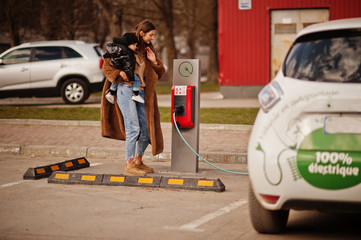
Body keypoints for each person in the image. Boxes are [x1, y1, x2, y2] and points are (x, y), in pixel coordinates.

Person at [101, 20, 166, 175]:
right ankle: (129, 164)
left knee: (146, 130)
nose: (152, 38)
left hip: (142, 94)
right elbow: (107, 66)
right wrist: (118, 74)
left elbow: (160, 72)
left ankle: (138, 161)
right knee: (133, 128)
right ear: (142, 33)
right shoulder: (124, 46)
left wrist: (154, 61)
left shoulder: (147, 51)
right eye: (151, 35)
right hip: (125, 90)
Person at [104, 33, 144, 104]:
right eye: (134, 45)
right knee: (137, 80)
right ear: (128, 44)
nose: (136, 47)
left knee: (116, 81)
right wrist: (131, 78)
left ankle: (111, 92)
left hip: (117, 67)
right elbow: (128, 66)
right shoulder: (127, 52)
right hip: (124, 75)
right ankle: (135, 94)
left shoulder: (116, 49)